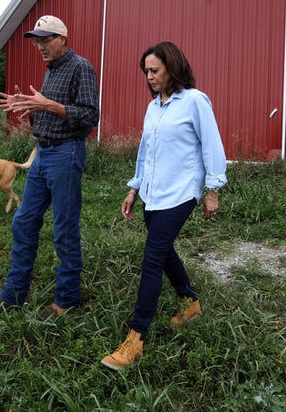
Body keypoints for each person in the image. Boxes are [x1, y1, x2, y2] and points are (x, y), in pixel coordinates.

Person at [101, 41, 228, 371]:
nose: (150, 77)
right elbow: (146, 153)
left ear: (173, 68)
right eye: (146, 71)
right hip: (153, 194)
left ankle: (136, 337)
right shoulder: (154, 107)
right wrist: (134, 188)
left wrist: (213, 189)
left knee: (152, 257)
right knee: (163, 249)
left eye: (155, 70)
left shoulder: (195, 102)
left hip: (182, 192)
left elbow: (213, 145)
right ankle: (190, 302)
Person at [0, 15, 99, 319]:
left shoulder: (80, 67)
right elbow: (45, 111)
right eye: (37, 41)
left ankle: (66, 301)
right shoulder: (51, 71)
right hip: (42, 153)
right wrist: (28, 107)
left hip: (66, 153)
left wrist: (46, 106)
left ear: (62, 39)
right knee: (23, 222)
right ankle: (13, 295)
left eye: (45, 40)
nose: (40, 46)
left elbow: (89, 116)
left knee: (64, 229)